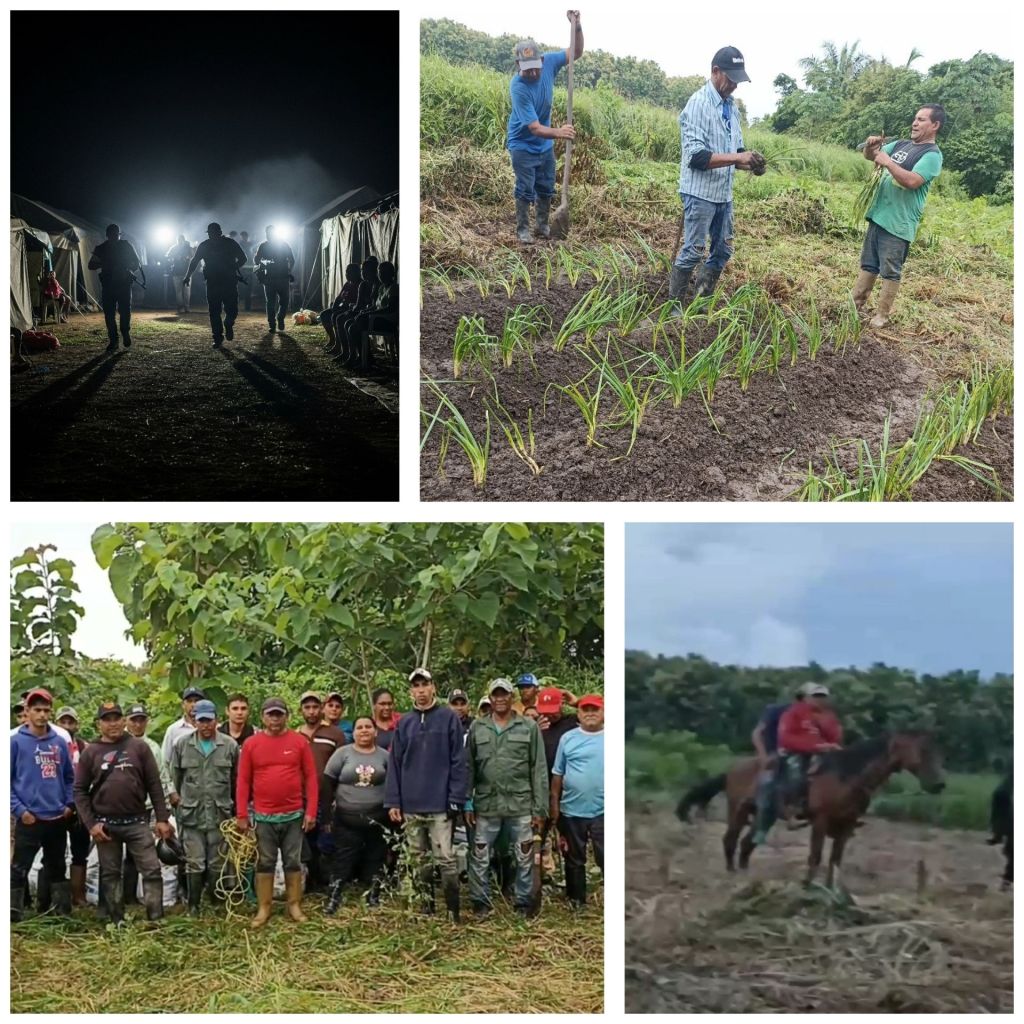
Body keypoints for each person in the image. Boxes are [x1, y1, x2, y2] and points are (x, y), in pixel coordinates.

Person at [670, 47, 765, 306]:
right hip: (699, 193)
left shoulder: (731, 108)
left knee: (723, 250)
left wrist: (752, 163)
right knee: (693, 251)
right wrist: (737, 158)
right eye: (730, 78)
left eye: (738, 79)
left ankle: (701, 299)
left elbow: (737, 152)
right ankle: (674, 306)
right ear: (715, 72)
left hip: (724, 195)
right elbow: (697, 158)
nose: (734, 85)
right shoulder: (698, 104)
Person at [74, 702, 174, 922]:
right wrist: (91, 824)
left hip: (138, 821)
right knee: (110, 874)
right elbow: (79, 791)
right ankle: (116, 919)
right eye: (107, 719)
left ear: (123, 721)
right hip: (105, 825)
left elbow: (154, 785)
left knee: (151, 870)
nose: (113, 724)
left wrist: (162, 819)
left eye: (116, 718)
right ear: (99, 723)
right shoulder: (91, 752)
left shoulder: (139, 747)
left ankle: (156, 918)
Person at [384, 668, 467, 921]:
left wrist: (456, 797)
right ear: (411, 691)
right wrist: (393, 800)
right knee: (418, 857)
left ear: (433, 687)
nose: (420, 690)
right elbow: (395, 762)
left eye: (425, 685)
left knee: (445, 857)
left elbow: (458, 761)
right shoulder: (405, 723)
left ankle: (453, 911)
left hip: (440, 803)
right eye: (416, 686)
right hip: (411, 803)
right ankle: (426, 906)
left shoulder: (448, 718)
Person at [852, 105, 945, 328]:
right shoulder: (902, 144)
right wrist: (871, 147)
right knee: (869, 264)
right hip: (879, 214)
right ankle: (855, 305)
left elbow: (913, 181)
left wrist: (888, 162)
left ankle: (882, 316)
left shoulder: (932, 155)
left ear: (935, 125)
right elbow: (872, 156)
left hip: (898, 223)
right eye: (915, 118)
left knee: (890, 270)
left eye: (921, 120)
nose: (915, 123)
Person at [466, 678, 549, 917]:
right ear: (490, 698)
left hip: (520, 805)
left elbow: (538, 768)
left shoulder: (528, 727)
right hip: (486, 804)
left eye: (504, 694)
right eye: (496, 695)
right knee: (480, 856)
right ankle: (480, 902)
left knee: (523, 856)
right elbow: (469, 766)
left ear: (511, 697)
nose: (500, 699)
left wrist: (539, 808)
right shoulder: (477, 727)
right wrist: (468, 801)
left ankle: (523, 902)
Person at [235, 697, 318, 929]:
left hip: (293, 814)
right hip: (263, 816)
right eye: (270, 714)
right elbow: (243, 780)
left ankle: (294, 904)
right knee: (265, 862)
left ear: (287, 716)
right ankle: (265, 907)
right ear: (262, 716)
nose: (275, 719)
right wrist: (242, 814)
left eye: (279, 714)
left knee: (293, 861)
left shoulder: (299, 742)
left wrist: (311, 810)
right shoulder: (251, 744)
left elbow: (311, 777)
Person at [506, 12, 584, 244]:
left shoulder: (550, 62)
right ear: (518, 65)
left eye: (535, 67)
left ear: (541, 61)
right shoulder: (518, 87)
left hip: (544, 145)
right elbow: (535, 128)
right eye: (526, 68)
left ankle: (542, 225)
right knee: (525, 188)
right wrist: (560, 132)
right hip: (522, 144)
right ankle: (522, 229)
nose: (532, 73)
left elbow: (576, 52)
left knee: (546, 186)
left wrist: (577, 27)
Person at [10, 689, 75, 920]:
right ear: (26, 712)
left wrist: (68, 803)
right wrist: (19, 810)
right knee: (19, 867)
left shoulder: (59, 742)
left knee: (57, 866)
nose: (42, 715)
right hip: (29, 818)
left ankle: (59, 914)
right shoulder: (15, 743)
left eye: (46, 710)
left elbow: (69, 777)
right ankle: (14, 914)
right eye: (37, 710)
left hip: (56, 817)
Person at [170, 700, 239, 917]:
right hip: (192, 814)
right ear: (194, 721)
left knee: (217, 861)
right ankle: (194, 905)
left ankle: (217, 902)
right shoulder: (182, 745)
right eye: (201, 721)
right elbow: (175, 778)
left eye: (209, 720)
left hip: (220, 814)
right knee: (194, 862)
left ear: (217, 720)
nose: (206, 725)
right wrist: (177, 802)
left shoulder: (229, 745)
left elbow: (237, 780)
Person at [322, 716, 390, 914]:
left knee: (375, 858)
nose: (364, 731)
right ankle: (334, 896)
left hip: (377, 818)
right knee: (342, 859)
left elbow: (393, 785)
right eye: (359, 727)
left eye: (368, 727)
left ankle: (373, 896)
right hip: (346, 818)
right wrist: (326, 816)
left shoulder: (385, 756)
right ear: (353, 733)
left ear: (375, 731)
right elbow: (327, 783)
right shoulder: (342, 754)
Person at [550, 694, 603, 908]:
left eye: (595, 709)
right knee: (574, 858)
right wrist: (554, 804)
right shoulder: (568, 738)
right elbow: (558, 774)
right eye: (585, 709)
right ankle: (576, 900)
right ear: (578, 715)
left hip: (605, 809)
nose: (590, 713)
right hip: (572, 809)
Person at [295, 691, 349, 892]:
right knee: (305, 842)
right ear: (301, 710)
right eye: (307, 707)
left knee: (327, 841)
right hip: (302, 798)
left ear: (321, 708)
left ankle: (328, 884)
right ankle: (309, 882)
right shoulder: (295, 735)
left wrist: (339, 795)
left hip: (327, 797)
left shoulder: (334, 734)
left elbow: (344, 765)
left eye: (315, 707)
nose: (311, 711)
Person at [124, 704, 174, 904]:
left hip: (145, 809)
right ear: (126, 721)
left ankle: (149, 900)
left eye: (141, 720)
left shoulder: (152, 747)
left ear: (147, 721)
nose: (137, 724)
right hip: (121, 810)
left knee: (145, 852)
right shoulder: (118, 743)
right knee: (123, 856)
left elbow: (161, 779)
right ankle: (126, 897)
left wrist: (163, 811)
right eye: (133, 719)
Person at [749, 683, 809, 845]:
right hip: (772, 754)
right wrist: (763, 756)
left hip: (795, 754)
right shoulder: (774, 710)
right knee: (769, 783)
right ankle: (763, 827)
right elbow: (756, 733)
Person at [776, 684, 843, 825]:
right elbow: (786, 737)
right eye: (816, 696)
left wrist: (832, 743)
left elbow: (834, 736)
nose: (820, 699)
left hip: (823, 752)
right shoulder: (793, 713)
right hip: (796, 752)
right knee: (797, 774)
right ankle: (791, 811)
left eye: (823, 696)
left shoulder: (828, 715)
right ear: (806, 697)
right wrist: (816, 746)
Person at [183, 223, 247, 347]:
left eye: (213, 233)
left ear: (218, 232)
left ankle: (226, 326)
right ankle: (218, 337)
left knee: (223, 310)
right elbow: (243, 258)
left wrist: (187, 276)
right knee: (216, 310)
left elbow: (243, 258)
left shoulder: (208, 245)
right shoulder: (226, 243)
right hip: (220, 282)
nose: (212, 235)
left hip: (220, 282)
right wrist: (187, 276)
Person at [54, 706, 89, 906]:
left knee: (80, 851)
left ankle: (78, 895)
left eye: (70, 722)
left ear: (77, 724)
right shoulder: (52, 746)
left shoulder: (85, 747)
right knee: (55, 852)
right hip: (57, 806)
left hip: (80, 806)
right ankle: (56, 899)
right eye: (63, 722)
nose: (67, 726)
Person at [89, 224, 141, 351]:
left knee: (124, 311)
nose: (114, 237)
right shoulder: (101, 249)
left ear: (119, 235)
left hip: (123, 284)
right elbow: (91, 265)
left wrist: (126, 268)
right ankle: (113, 340)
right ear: (107, 235)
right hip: (108, 285)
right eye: (112, 234)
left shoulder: (126, 246)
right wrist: (104, 263)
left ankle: (125, 332)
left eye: (116, 234)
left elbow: (136, 263)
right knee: (109, 314)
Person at [341, 261, 399, 368]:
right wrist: (366, 312)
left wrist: (370, 313)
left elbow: (390, 308)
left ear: (392, 274)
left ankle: (365, 358)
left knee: (356, 325)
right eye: (380, 273)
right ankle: (361, 356)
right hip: (377, 318)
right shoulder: (382, 287)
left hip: (388, 321)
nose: (381, 275)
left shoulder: (394, 288)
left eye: (384, 273)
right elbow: (375, 306)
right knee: (350, 324)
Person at [336, 256, 379, 364]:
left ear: (374, 271)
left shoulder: (377, 285)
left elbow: (376, 305)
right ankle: (348, 353)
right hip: (363, 312)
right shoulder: (363, 284)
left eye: (366, 271)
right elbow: (359, 304)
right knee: (341, 318)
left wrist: (360, 310)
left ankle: (363, 355)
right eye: (362, 271)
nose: (363, 273)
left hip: (374, 315)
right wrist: (353, 309)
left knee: (351, 326)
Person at [253, 225, 294, 332]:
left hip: (273, 278)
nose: (268, 235)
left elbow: (256, 260)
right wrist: (289, 271)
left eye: (269, 233)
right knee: (280, 302)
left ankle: (274, 323)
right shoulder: (282, 244)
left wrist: (263, 263)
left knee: (273, 302)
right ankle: (276, 321)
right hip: (276, 278)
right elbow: (292, 260)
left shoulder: (265, 245)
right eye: (267, 233)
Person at [321, 263, 361, 355]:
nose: (346, 274)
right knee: (324, 314)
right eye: (346, 272)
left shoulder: (360, 284)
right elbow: (339, 298)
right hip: (342, 308)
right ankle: (332, 339)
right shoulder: (347, 283)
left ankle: (339, 346)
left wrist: (341, 308)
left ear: (356, 273)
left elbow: (358, 304)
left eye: (349, 272)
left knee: (336, 317)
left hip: (350, 310)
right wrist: (334, 307)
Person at [162, 686, 205, 769]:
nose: (193, 705)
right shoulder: (173, 730)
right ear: (183, 705)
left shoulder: (212, 728)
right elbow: (165, 760)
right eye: (189, 701)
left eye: (197, 701)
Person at [165, 234, 194, 313]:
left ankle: (185, 307)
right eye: (179, 240)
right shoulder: (174, 248)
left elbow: (193, 256)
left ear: (184, 240)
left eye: (181, 240)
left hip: (186, 272)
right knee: (180, 291)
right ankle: (182, 307)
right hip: (179, 272)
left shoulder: (187, 248)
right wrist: (174, 257)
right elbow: (167, 256)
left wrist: (187, 257)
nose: (180, 241)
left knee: (184, 291)